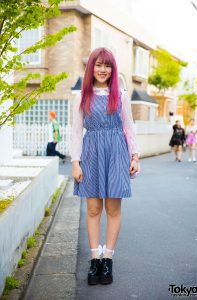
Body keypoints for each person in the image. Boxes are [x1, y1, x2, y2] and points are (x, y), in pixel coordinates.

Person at [71, 48, 139, 285]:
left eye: (107, 66)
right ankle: (95, 258)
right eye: (98, 65)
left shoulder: (120, 94)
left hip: (117, 152)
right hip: (90, 153)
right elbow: (77, 131)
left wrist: (134, 156)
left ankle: (108, 258)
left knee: (112, 209)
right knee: (92, 209)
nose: (102, 70)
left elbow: (129, 127)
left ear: (113, 69)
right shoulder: (82, 95)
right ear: (91, 67)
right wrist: (75, 162)